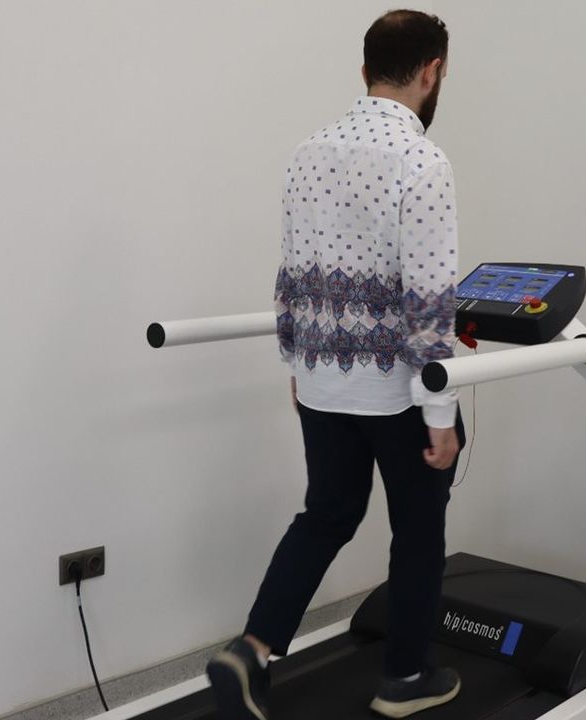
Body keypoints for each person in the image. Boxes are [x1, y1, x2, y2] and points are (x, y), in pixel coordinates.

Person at [206, 9, 464, 720]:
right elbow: (429, 299)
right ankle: (404, 678)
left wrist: (298, 363)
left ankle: (251, 650)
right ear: (432, 71)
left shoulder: (307, 152)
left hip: (321, 379)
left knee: (326, 514)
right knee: (418, 528)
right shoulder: (422, 162)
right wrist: (441, 411)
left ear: (364, 71)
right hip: (397, 392)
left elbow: (291, 273)